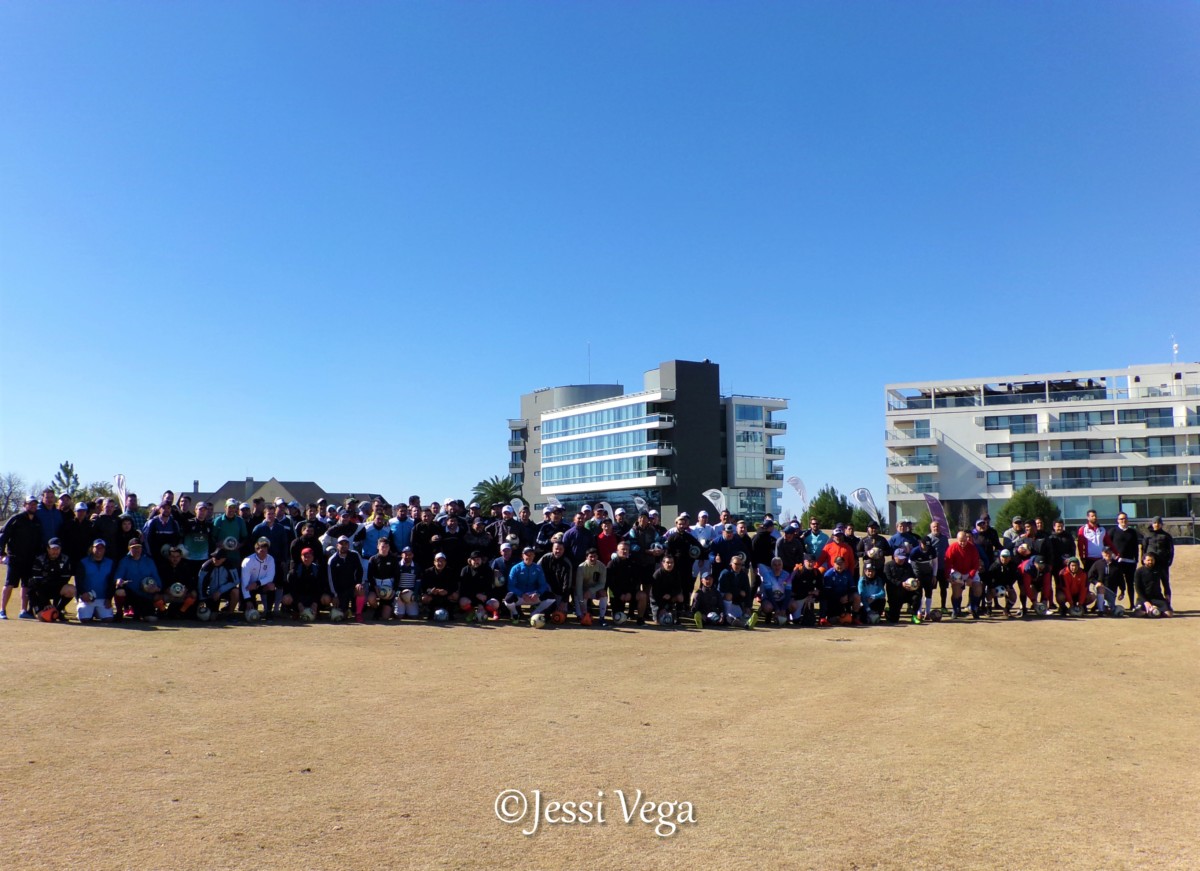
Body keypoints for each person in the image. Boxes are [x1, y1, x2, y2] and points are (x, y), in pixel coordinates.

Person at [1, 495, 42, 619]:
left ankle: (23, 610)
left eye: (34, 504)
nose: (32, 506)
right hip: (15, 557)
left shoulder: (37, 521)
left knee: (26, 585)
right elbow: (4, 535)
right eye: (30, 504)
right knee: (9, 584)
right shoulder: (16, 519)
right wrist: (1, 552)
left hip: (30, 558)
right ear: (25, 505)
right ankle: (2, 610)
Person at [113, 539, 162, 622]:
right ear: (129, 548)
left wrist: (156, 588)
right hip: (130, 594)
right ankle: (119, 612)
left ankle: (138, 611)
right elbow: (117, 577)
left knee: (152, 619)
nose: (137, 550)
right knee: (120, 592)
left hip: (145, 595)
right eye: (134, 548)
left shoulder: (149, 561)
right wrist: (119, 581)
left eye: (139, 547)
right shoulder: (124, 561)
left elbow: (157, 580)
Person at [28, 538, 75, 622]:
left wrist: (54, 607)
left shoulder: (65, 559)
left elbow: (64, 580)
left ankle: (58, 610)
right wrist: (46, 603)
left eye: (57, 549)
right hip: (39, 591)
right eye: (53, 549)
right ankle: (40, 610)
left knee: (71, 589)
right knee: (43, 618)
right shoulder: (40, 559)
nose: (55, 551)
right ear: (48, 549)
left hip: (55, 588)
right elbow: (36, 583)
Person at [505, 547, 557, 622]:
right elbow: (511, 586)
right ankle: (515, 614)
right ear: (523, 555)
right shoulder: (515, 568)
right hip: (520, 596)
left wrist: (538, 593)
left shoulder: (538, 568)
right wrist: (521, 594)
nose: (529, 557)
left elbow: (543, 584)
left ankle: (535, 613)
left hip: (534, 597)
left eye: (531, 554)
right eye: (527, 554)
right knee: (508, 599)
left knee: (551, 597)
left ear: (534, 556)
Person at [944, 529, 983, 619]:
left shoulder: (972, 548)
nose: (963, 543)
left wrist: (970, 577)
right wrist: (948, 576)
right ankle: (956, 609)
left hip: (970, 571)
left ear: (967, 539)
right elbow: (948, 563)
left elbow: (975, 564)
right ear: (957, 540)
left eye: (964, 541)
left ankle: (974, 608)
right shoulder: (952, 548)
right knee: (957, 590)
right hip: (957, 571)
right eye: (961, 541)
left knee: (978, 588)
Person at [606, 539, 645, 623]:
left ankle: (640, 619)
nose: (624, 551)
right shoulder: (611, 564)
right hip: (616, 594)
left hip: (630, 593)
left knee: (642, 595)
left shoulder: (633, 563)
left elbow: (635, 581)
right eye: (622, 549)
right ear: (617, 551)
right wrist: (620, 594)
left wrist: (629, 593)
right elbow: (610, 583)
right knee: (618, 620)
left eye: (626, 549)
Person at [76, 539, 115, 622]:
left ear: (104, 549)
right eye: (97, 547)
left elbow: (111, 582)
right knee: (85, 619)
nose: (99, 550)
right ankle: (91, 611)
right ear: (92, 548)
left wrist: (109, 598)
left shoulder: (110, 562)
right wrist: (82, 593)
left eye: (101, 548)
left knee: (108, 619)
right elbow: (78, 581)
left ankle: (96, 612)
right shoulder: (83, 562)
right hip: (87, 598)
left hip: (103, 598)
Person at [241, 537, 278, 619]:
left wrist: (258, 583)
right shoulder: (248, 561)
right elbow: (244, 582)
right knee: (251, 611)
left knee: (271, 586)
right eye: (262, 551)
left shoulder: (270, 559)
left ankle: (268, 611)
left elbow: (270, 577)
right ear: (256, 551)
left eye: (266, 550)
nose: (264, 554)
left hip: (261, 585)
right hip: (249, 586)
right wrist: (248, 600)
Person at [1109, 512, 1141, 607]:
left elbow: (1136, 547)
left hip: (1130, 562)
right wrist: (1111, 557)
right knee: (1114, 583)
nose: (1123, 521)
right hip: (1116, 562)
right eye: (1121, 519)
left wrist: (1136, 559)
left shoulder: (1132, 532)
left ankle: (1132, 604)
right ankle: (1112, 604)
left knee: (1130, 584)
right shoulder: (1113, 531)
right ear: (1117, 520)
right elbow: (1107, 545)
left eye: (1125, 518)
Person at [197, 549, 241, 617]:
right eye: (214, 557)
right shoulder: (206, 567)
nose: (215, 560)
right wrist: (202, 599)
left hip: (224, 591)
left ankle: (230, 613)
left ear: (224, 559)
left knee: (236, 591)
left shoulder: (230, 565)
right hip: (211, 593)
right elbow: (201, 584)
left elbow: (235, 581)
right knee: (212, 617)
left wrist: (220, 591)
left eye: (218, 558)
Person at [1142, 517, 1174, 606]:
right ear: (1152, 524)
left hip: (1163, 563)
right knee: (1150, 583)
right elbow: (1144, 549)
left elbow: (1171, 550)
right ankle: (1149, 603)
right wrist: (1143, 559)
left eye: (1159, 523)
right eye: (1155, 523)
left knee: (1165, 583)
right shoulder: (1148, 535)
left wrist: (1170, 561)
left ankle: (1168, 603)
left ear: (1161, 524)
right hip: (1150, 564)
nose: (1157, 524)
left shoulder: (1166, 536)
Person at [538, 538, 575, 617]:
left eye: (560, 549)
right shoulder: (545, 558)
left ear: (564, 550)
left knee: (560, 617)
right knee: (544, 614)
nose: (558, 551)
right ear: (552, 549)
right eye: (556, 549)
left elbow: (567, 584)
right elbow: (537, 572)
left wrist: (564, 600)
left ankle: (564, 606)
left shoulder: (567, 563)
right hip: (546, 590)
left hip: (559, 593)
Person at [820, 555, 860, 625]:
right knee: (834, 620)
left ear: (844, 564)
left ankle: (855, 618)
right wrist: (839, 598)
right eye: (838, 564)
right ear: (834, 564)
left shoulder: (848, 573)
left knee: (856, 596)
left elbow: (853, 588)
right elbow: (827, 592)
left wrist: (847, 596)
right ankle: (823, 618)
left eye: (842, 564)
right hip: (833, 599)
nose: (840, 566)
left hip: (845, 597)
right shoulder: (829, 574)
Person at [574, 548, 610, 626]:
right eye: (591, 556)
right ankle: (583, 615)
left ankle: (602, 617)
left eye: (595, 556)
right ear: (587, 557)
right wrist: (581, 603)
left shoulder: (602, 567)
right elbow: (579, 587)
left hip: (594, 590)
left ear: (597, 557)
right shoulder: (581, 567)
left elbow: (602, 584)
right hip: (582, 591)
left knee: (603, 593)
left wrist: (591, 590)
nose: (593, 558)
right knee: (579, 594)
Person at [882, 548, 918, 624]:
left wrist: (916, 581)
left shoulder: (908, 566)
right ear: (894, 557)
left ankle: (914, 615)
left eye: (903, 558)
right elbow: (888, 579)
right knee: (894, 620)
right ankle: (889, 611)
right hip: (894, 594)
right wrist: (901, 584)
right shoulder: (888, 565)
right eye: (900, 558)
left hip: (907, 592)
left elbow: (914, 576)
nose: (902, 560)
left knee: (917, 597)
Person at [458, 550, 496, 622]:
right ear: (470, 560)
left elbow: (489, 587)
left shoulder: (488, 570)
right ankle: (471, 611)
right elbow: (463, 588)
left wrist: (482, 601)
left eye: (478, 559)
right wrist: (476, 594)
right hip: (470, 596)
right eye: (474, 559)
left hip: (484, 597)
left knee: (495, 604)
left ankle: (485, 611)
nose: (476, 561)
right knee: (462, 602)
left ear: (481, 560)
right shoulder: (465, 570)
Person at [652, 552, 690, 625]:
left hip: (670, 597)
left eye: (672, 562)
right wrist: (661, 608)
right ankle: (658, 613)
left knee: (680, 597)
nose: (670, 564)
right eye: (667, 562)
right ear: (662, 563)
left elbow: (678, 589)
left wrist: (670, 594)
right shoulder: (657, 574)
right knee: (659, 622)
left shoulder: (676, 573)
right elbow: (654, 594)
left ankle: (677, 617)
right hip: (657, 601)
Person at [716, 554, 753, 627]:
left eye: (740, 564)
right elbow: (723, 589)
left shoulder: (743, 575)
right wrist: (739, 591)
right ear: (731, 564)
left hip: (735, 601)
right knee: (729, 595)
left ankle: (743, 620)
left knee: (744, 613)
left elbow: (747, 591)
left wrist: (748, 606)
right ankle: (725, 616)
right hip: (723, 602)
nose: (738, 566)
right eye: (736, 564)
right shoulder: (725, 573)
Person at [755, 557, 794, 626]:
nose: (777, 567)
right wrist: (776, 609)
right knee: (767, 607)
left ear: (782, 565)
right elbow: (769, 593)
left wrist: (783, 609)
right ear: (771, 566)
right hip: (769, 599)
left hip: (782, 599)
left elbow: (788, 593)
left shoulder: (787, 575)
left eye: (779, 565)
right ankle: (769, 615)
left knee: (793, 605)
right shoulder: (767, 575)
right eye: (775, 565)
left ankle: (785, 614)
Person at [420, 552, 458, 620]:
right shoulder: (428, 572)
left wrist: (447, 591)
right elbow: (424, 586)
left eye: (442, 561)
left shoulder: (451, 572)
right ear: (434, 562)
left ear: (445, 562)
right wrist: (431, 591)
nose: (440, 563)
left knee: (455, 596)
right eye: (438, 561)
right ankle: (429, 612)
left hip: (446, 595)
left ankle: (451, 612)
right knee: (424, 598)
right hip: (433, 595)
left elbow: (455, 586)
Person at [788, 553, 822, 627]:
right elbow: (794, 590)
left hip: (809, 598)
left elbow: (820, 587)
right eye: (809, 561)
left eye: (813, 561)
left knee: (808, 619)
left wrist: (814, 596)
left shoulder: (816, 572)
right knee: (796, 620)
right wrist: (809, 593)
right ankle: (789, 615)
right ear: (804, 561)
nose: (811, 563)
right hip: (798, 598)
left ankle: (811, 617)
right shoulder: (798, 572)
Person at [1134, 553, 1173, 617]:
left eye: (1152, 560)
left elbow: (1166, 583)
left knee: (1169, 614)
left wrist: (1167, 594)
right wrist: (1145, 601)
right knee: (1139, 613)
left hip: (1157, 597)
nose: (1150, 562)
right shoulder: (1139, 571)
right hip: (1144, 598)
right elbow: (1137, 588)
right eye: (1148, 560)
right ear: (1144, 561)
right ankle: (1151, 612)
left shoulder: (1159, 570)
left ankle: (1156, 612)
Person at [986, 549, 1020, 618]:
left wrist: (1009, 585)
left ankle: (1007, 609)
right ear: (1000, 557)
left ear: (1010, 558)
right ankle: (988, 609)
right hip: (995, 584)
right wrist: (992, 587)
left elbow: (1014, 577)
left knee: (1013, 596)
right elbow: (989, 578)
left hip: (1006, 583)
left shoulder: (1013, 566)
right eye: (1003, 557)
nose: (1004, 559)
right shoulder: (995, 565)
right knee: (989, 594)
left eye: (1006, 557)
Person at [1087, 548, 1122, 615]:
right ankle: (1100, 610)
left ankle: (1100, 606)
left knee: (1110, 610)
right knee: (1101, 588)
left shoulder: (1117, 565)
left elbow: (1120, 578)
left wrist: (1122, 591)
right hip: (1100, 586)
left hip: (1112, 590)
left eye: (1109, 552)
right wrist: (1096, 582)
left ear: (1112, 553)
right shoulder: (1098, 563)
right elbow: (1090, 576)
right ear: (1102, 553)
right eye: (1105, 552)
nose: (1107, 554)